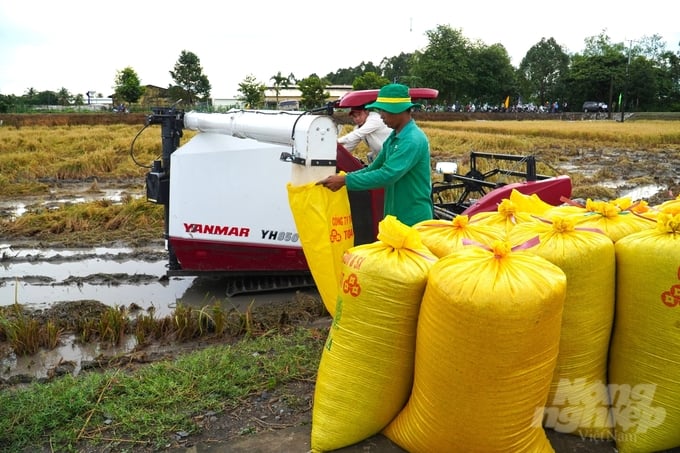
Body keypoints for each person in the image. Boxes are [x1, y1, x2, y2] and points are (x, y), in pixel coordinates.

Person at [319, 83, 433, 227]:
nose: (381, 116)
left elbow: (387, 175)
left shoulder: (412, 140)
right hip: (394, 217)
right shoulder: (393, 137)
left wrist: (345, 181)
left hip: (413, 219)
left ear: (397, 110)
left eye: (383, 110)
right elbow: (373, 168)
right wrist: (344, 178)